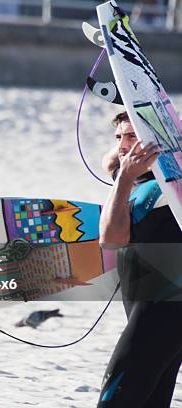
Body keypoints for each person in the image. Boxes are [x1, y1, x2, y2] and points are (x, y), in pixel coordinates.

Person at [98, 111, 182, 407]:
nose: (123, 145)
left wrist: (123, 178)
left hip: (159, 314)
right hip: (157, 313)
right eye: (118, 137)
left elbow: (110, 238)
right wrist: (134, 111)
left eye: (132, 136)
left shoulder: (160, 188)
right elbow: (110, 161)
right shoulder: (146, 175)